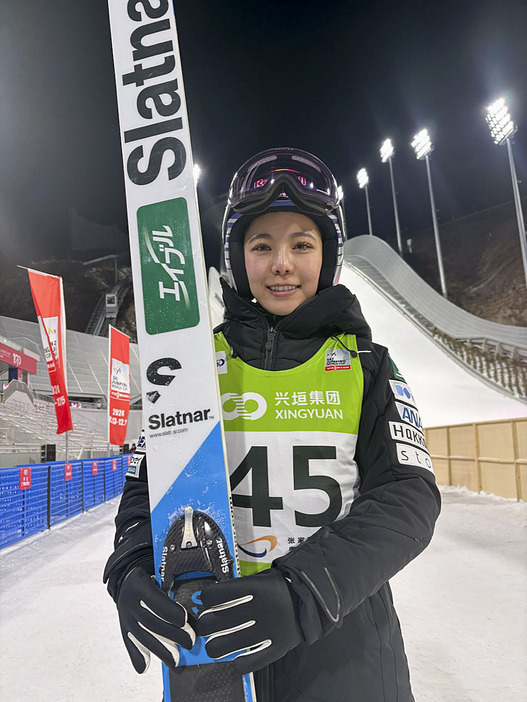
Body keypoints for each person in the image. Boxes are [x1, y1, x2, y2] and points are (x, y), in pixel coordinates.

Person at [104, 147, 441, 701]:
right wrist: (132, 567)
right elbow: (147, 491)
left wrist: (306, 589)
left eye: (301, 245)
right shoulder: (191, 368)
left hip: (347, 646)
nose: (281, 263)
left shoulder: (367, 366)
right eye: (262, 245)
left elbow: (410, 498)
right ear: (238, 258)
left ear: (326, 257)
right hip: (211, 648)